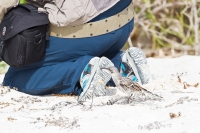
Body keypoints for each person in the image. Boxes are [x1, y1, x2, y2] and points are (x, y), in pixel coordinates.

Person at [2, 0, 151, 102]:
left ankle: (82, 73)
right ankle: (121, 65)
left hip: (85, 32)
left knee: (15, 77)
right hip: (123, 22)